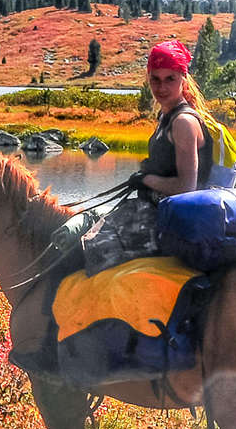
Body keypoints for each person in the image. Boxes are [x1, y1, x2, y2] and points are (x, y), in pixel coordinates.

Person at [81, 40, 211, 273]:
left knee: (95, 247)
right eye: (155, 79)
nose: (161, 87)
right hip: (159, 210)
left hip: (176, 220)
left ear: (183, 78)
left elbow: (187, 187)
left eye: (170, 79)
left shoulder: (183, 122)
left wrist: (145, 179)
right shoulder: (166, 117)